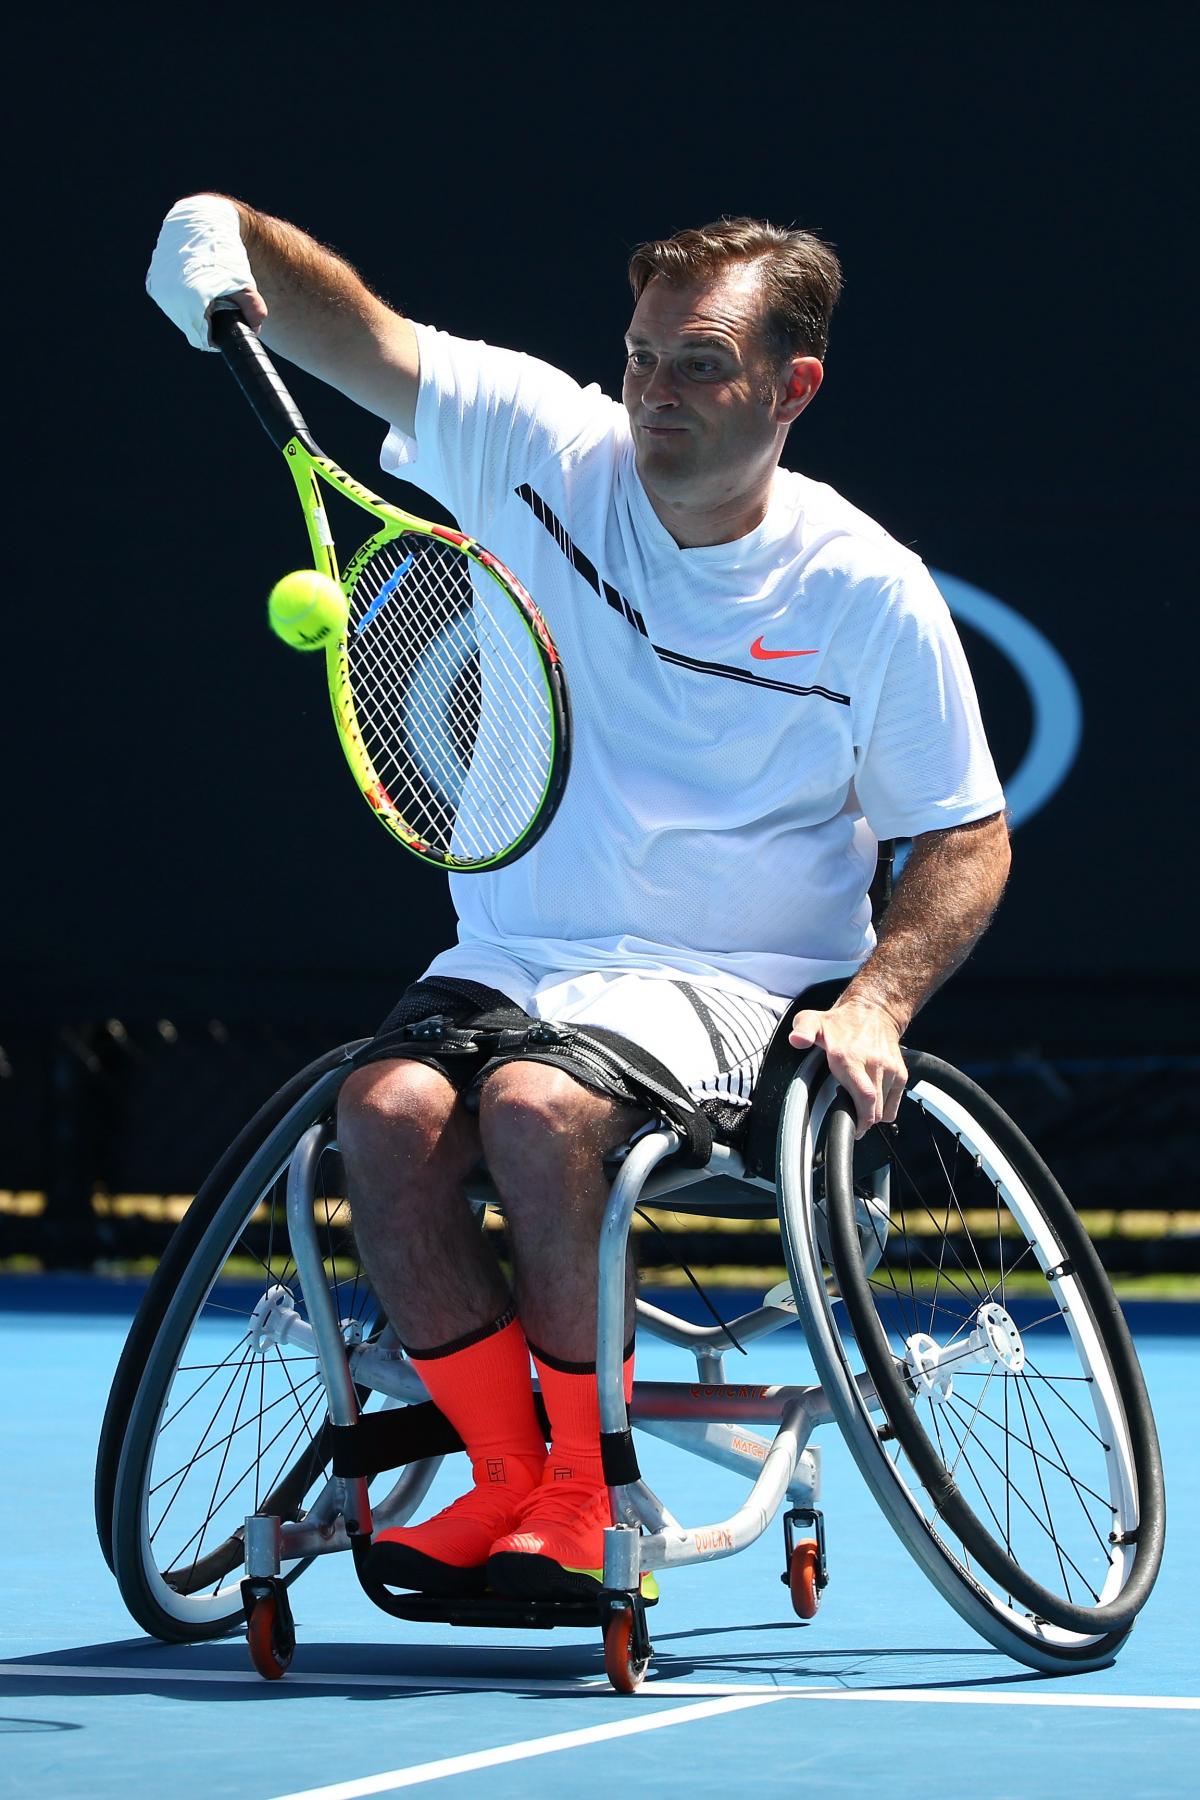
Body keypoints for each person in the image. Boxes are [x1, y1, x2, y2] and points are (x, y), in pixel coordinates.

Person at [147, 198, 1011, 1603]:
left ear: (794, 387)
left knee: (541, 1114)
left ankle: (576, 1489)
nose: (654, 393)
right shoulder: (541, 446)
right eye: (641, 356)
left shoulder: (866, 590)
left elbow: (965, 836)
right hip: (515, 949)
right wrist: (216, 235)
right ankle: (502, 1475)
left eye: (700, 365)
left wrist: (879, 1001)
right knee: (385, 1113)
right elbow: (346, 330)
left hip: (735, 986)